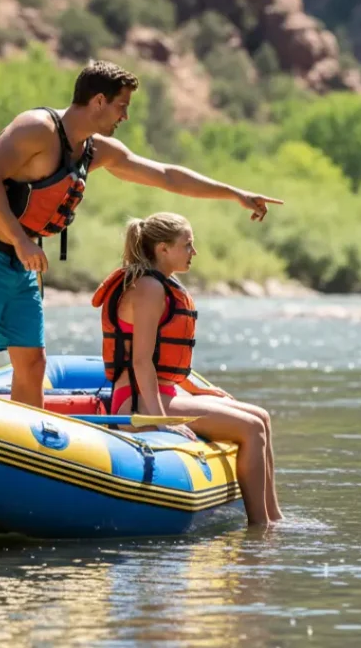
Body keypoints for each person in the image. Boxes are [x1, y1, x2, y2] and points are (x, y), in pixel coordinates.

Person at [0, 60, 282, 408]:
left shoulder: (95, 150)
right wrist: (21, 239)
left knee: (32, 364)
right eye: (122, 106)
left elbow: (166, 175)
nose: (125, 116)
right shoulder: (37, 128)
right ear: (98, 101)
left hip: (22, 261)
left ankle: (26, 450)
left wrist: (235, 194)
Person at [91, 212, 282, 525]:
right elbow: (140, 360)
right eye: (188, 245)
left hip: (163, 391)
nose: (194, 252)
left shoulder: (162, 284)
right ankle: (261, 528)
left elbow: (162, 357)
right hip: (137, 399)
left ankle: (275, 518)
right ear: (163, 249)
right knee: (251, 429)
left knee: (262, 416)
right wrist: (159, 421)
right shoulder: (149, 289)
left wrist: (197, 388)